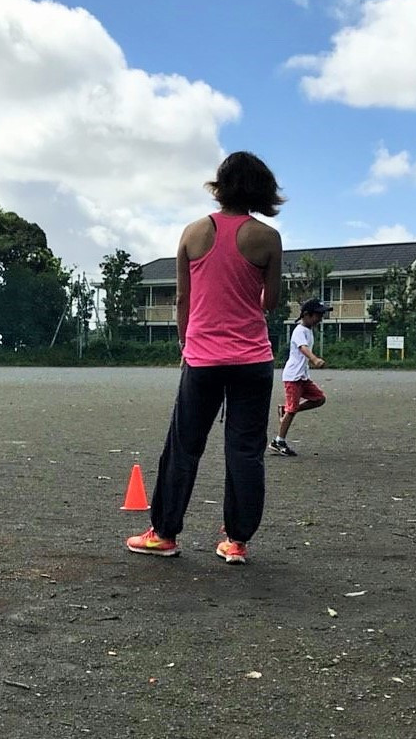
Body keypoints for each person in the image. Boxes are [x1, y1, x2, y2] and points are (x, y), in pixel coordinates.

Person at [125, 151, 283, 566]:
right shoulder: (267, 238)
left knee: (184, 447)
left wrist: (187, 344)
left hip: (202, 358)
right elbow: (270, 302)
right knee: (245, 451)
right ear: (261, 190)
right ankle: (237, 541)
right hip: (252, 359)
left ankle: (164, 534)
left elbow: (183, 298)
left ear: (220, 186)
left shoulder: (192, 233)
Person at [270, 298, 329, 456]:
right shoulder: (299, 331)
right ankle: (278, 441)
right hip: (293, 377)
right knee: (293, 409)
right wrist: (314, 359)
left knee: (319, 399)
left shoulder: (308, 331)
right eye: (318, 315)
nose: (320, 319)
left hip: (302, 376)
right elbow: (303, 348)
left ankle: (285, 409)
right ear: (307, 315)